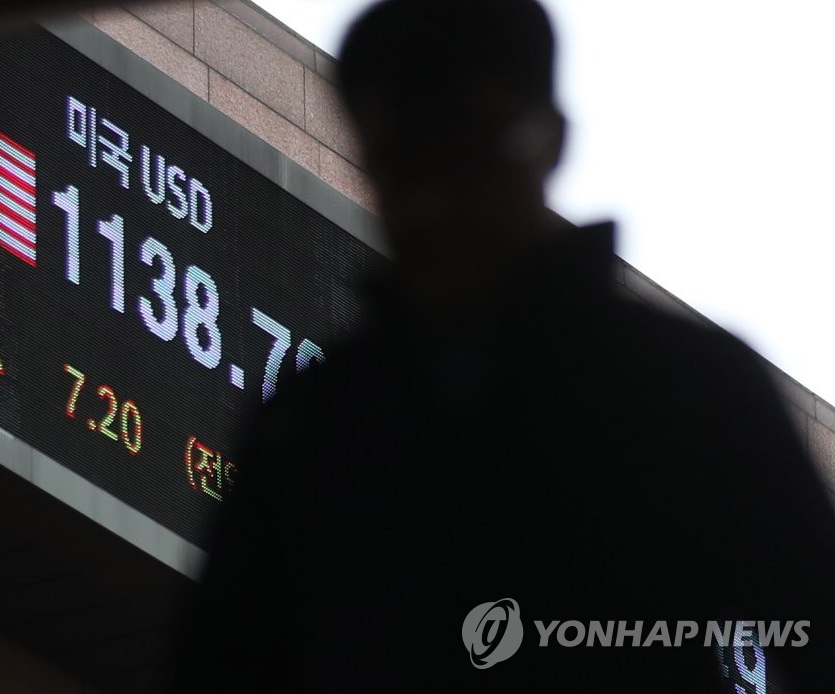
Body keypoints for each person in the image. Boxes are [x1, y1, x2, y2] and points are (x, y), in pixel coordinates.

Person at [171, 1, 835, 691]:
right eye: (403, 161)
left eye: (466, 153)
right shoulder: (311, 425)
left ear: (552, 142)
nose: (432, 203)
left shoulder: (694, 391)